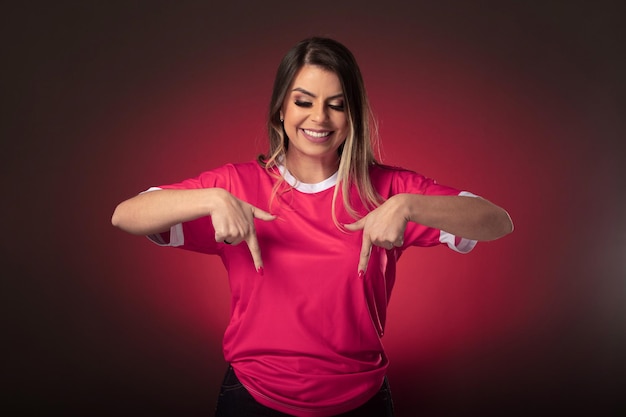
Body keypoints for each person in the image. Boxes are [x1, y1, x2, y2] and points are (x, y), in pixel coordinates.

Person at [111, 37, 513, 417]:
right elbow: (127, 214)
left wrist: (408, 206)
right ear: (280, 109)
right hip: (252, 399)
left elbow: (497, 221)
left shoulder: (389, 189)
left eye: (336, 105)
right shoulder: (236, 185)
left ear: (352, 114)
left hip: (362, 400)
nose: (319, 118)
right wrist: (211, 199)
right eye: (304, 101)